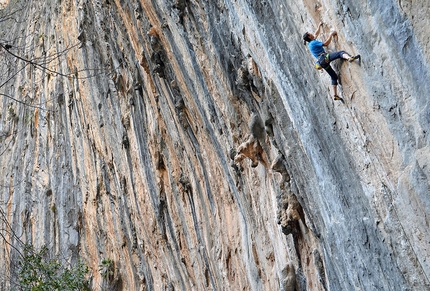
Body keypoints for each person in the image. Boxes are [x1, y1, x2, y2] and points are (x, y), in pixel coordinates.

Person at [303, 23, 360, 101]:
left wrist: (319, 26)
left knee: (334, 77)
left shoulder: (310, 43)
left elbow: (316, 34)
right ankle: (349, 58)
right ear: (309, 36)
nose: (312, 34)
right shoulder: (313, 42)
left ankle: (335, 95)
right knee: (340, 53)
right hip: (324, 58)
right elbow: (326, 44)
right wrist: (331, 34)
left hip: (321, 63)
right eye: (310, 34)